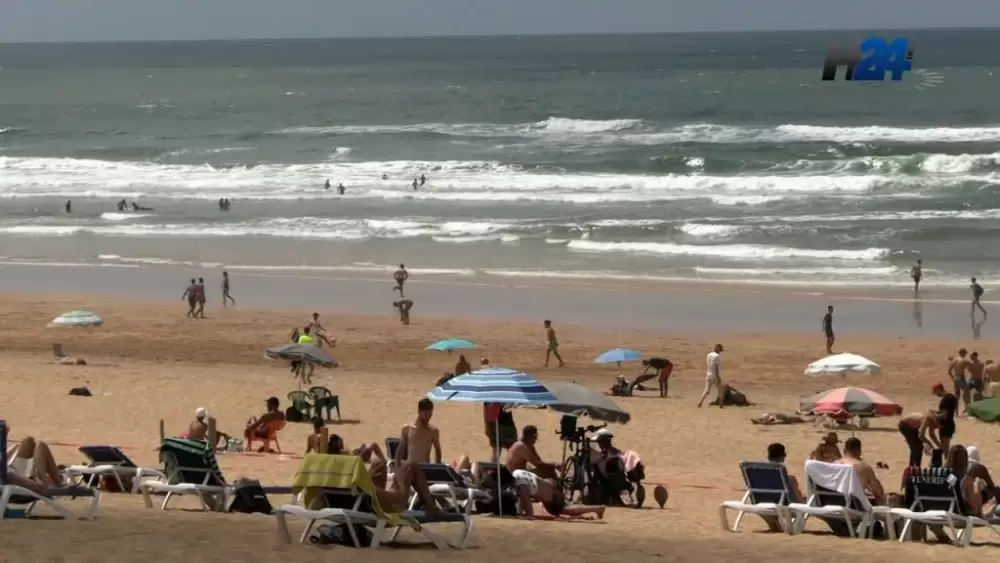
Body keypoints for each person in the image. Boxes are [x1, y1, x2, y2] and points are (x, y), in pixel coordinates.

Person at [512, 469, 605, 519]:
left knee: (567, 510)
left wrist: (527, 515)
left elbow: (528, 505)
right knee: (569, 508)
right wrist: (519, 513)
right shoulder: (517, 473)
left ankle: (597, 509)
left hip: (552, 498)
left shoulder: (521, 486)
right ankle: (594, 510)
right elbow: (522, 498)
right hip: (549, 485)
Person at [762, 443, 804, 531]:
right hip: (784, 504)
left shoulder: (759, 476)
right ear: (783, 456)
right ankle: (793, 528)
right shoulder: (788, 479)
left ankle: (776, 524)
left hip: (762, 501)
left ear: (769, 456)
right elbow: (798, 500)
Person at [835, 437, 885, 505]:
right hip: (853, 505)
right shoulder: (864, 467)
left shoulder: (834, 464)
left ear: (844, 450)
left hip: (832, 502)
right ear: (859, 451)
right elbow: (879, 492)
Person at [931, 382, 958, 460]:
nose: (936, 394)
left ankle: (948, 465)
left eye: (935, 392)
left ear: (939, 390)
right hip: (951, 424)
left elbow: (943, 416)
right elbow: (950, 411)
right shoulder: (952, 397)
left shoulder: (944, 401)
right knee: (946, 447)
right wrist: (937, 412)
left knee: (945, 450)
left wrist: (933, 415)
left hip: (945, 426)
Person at [698, 344, 724, 408]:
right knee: (720, 389)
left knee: (707, 390)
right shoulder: (717, 356)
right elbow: (716, 367)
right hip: (714, 375)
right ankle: (721, 405)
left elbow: (710, 365)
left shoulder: (709, 355)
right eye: (720, 350)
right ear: (718, 349)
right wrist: (718, 377)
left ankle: (700, 402)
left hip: (708, 374)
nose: (720, 351)